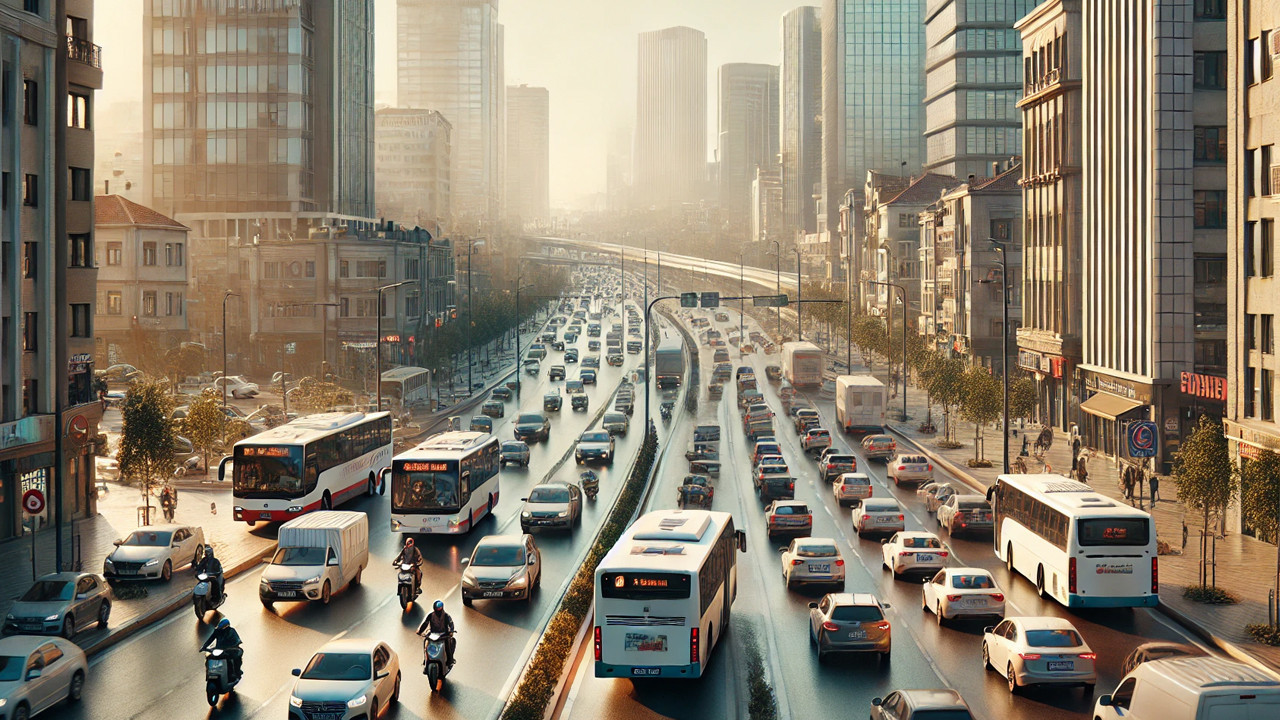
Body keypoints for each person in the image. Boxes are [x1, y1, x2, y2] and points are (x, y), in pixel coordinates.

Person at [201, 618, 243, 682]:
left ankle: (236, 671)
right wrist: (204, 647)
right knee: (209, 658)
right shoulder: (217, 631)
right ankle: (209, 674)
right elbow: (211, 639)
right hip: (219, 650)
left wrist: (233, 647)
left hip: (229, 650)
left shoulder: (231, 631)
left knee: (234, 658)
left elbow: (236, 641)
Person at [416, 600, 456, 668]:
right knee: (426, 644)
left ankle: (450, 661)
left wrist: (451, 631)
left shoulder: (446, 616)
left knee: (447, 645)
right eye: (437, 608)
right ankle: (425, 660)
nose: (439, 610)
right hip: (433, 634)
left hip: (443, 635)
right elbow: (425, 624)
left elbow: (451, 624)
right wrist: (420, 631)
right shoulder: (430, 615)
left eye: (440, 608)